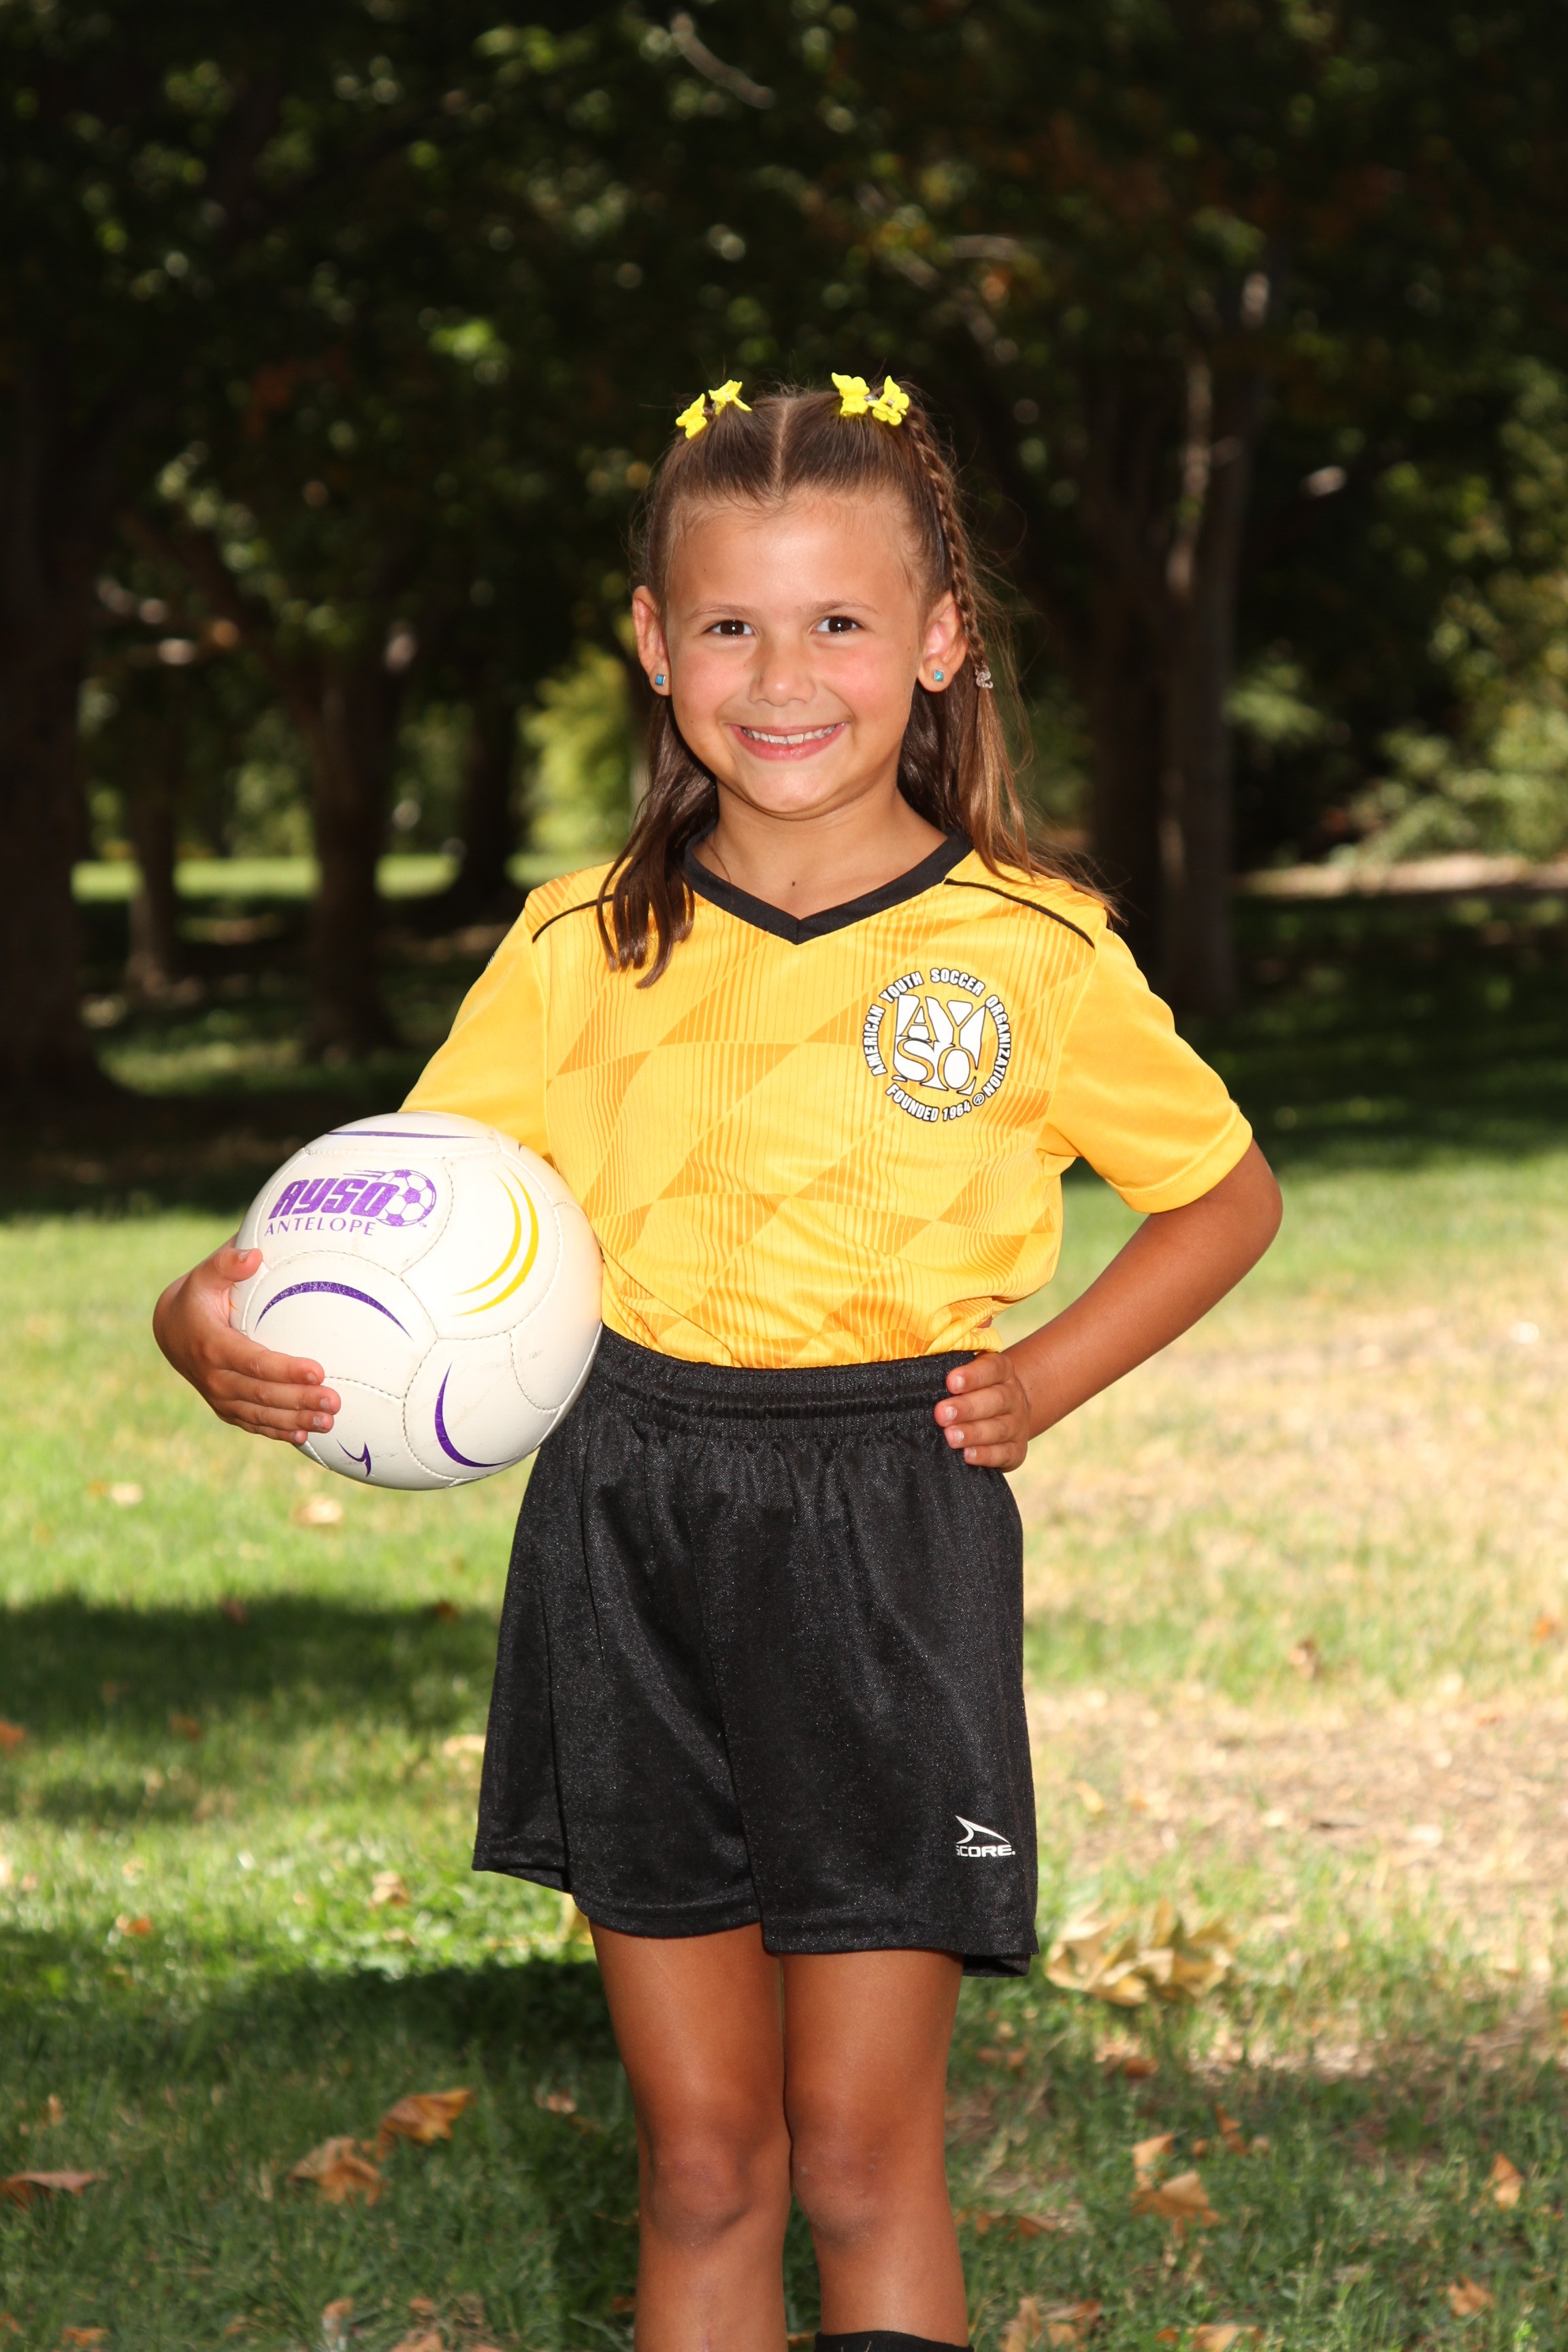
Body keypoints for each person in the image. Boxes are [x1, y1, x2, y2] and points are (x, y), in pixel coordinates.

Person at [154, 374, 1281, 2352]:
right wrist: (207, 1317)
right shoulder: (578, 946)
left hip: (890, 1534)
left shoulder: (1034, 948)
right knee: (700, 2160)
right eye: (732, 625)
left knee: (856, 2157)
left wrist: (1046, 1377)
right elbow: (386, 1217)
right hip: (630, 1519)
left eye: (839, 620)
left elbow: (1224, 1197)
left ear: (939, 639)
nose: (783, 675)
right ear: (656, 644)